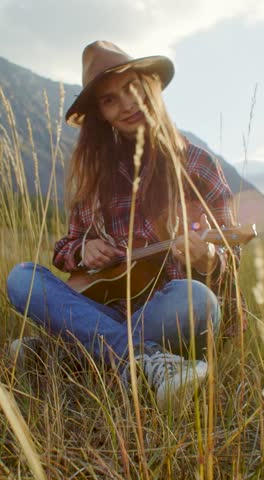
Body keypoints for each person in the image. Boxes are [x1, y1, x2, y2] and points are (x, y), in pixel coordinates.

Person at [7, 40, 245, 411]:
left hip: (168, 316)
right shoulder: (96, 177)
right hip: (109, 311)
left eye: (131, 88)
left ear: (149, 86)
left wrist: (209, 259)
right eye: (109, 99)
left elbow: (231, 251)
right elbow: (64, 248)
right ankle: (148, 363)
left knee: (197, 301)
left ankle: (67, 354)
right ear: (101, 114)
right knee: (21, 278)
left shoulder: (196, 164)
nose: (127, 105)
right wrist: (82, 251)